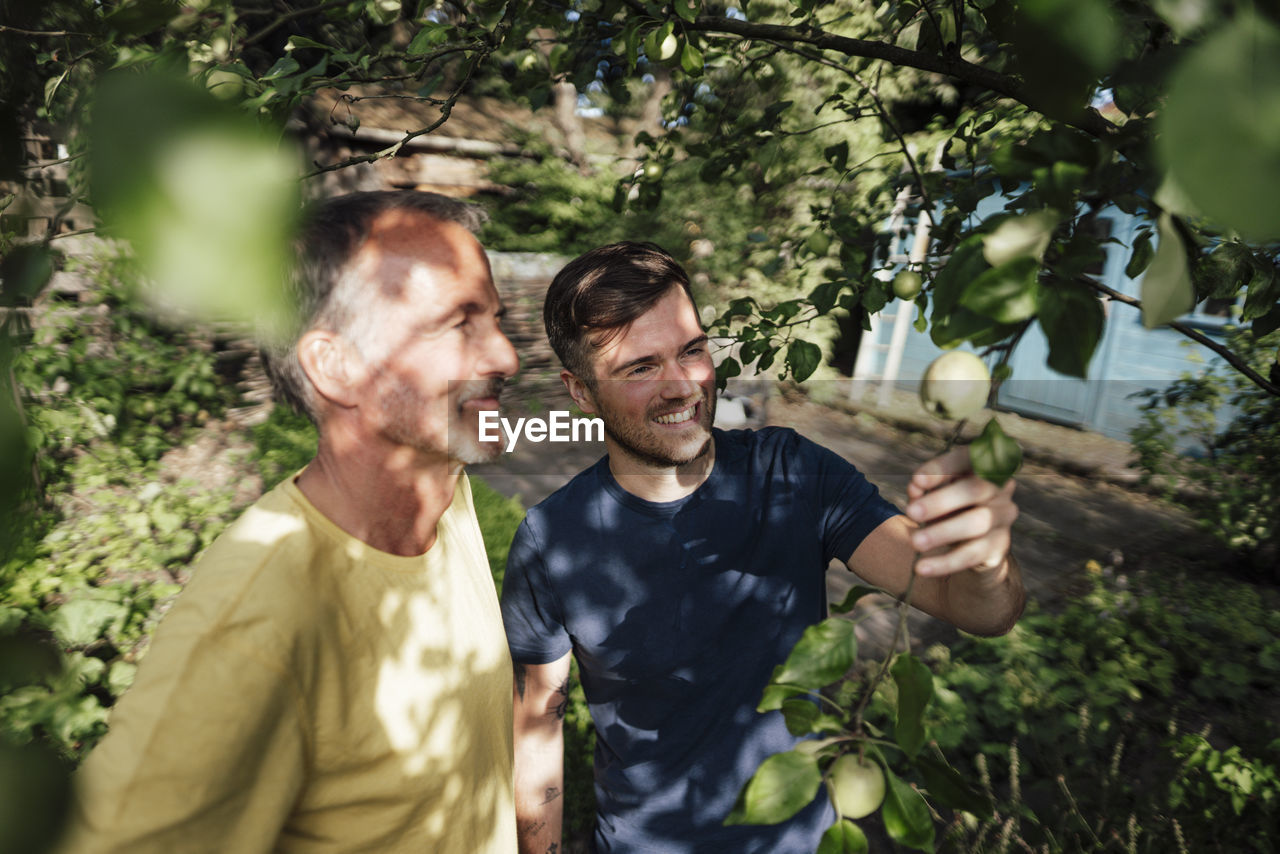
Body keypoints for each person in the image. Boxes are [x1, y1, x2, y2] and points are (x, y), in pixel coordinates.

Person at [501, 242, 1025, 853]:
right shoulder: (554, 538)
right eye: (641, 367)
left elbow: (982, 613)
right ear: (581, 392)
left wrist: (984, 560)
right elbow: (535, 728)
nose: (683, 386)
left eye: (692, 350)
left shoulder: (792, 475)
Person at [59, 191, 521, 853]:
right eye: (458, 323)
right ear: (335, 366)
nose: (502, 354)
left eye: (494, 317)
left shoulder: (442, 487)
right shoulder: (254, 621)